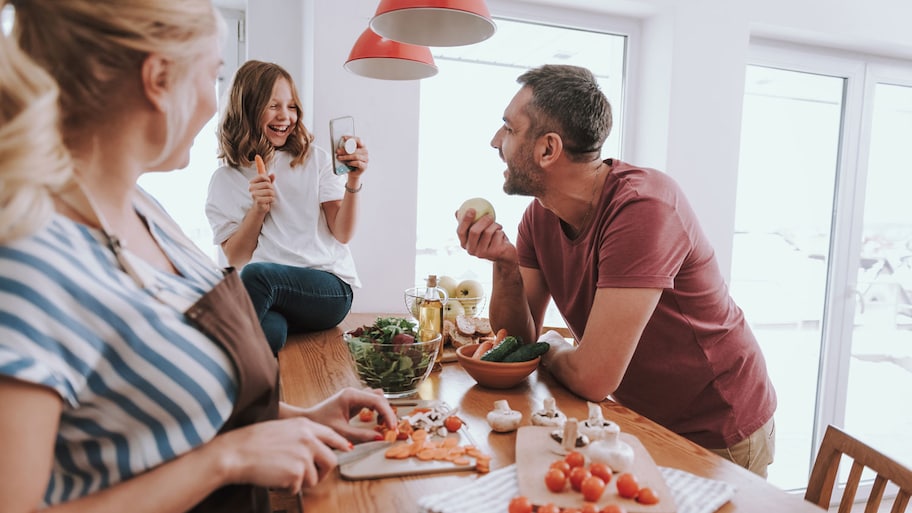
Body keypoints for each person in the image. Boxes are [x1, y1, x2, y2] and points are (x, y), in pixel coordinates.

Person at [0, 1, 396, 512]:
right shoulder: (28, 258)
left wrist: (296, 416)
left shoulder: (149, 213)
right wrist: (227, 459)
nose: (215, 105)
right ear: (159, 78)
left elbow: (178, 403)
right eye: (214, 75)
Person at [457, 64, 777, 477]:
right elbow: (517, 341)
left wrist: (552, 346)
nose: (495, 141)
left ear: (548, 149)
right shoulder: (540, 216)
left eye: (508, 128)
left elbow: (593, 378)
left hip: (716, 424)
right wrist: (505, 266)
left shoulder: (644, 208)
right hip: (640, 419)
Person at [206, 60, 367, 354]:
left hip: (328, 290)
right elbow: (237, 256)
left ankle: (207, 365)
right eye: (273, 106)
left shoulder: (314, 159)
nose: (286, 117)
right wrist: (257, 209)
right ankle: (250, 392)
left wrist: (353, 180)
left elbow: (342, 233)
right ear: (248, 108)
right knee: (269, 330)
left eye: (291, 106)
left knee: (255, 277)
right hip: (274, 297)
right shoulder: (224, 180)